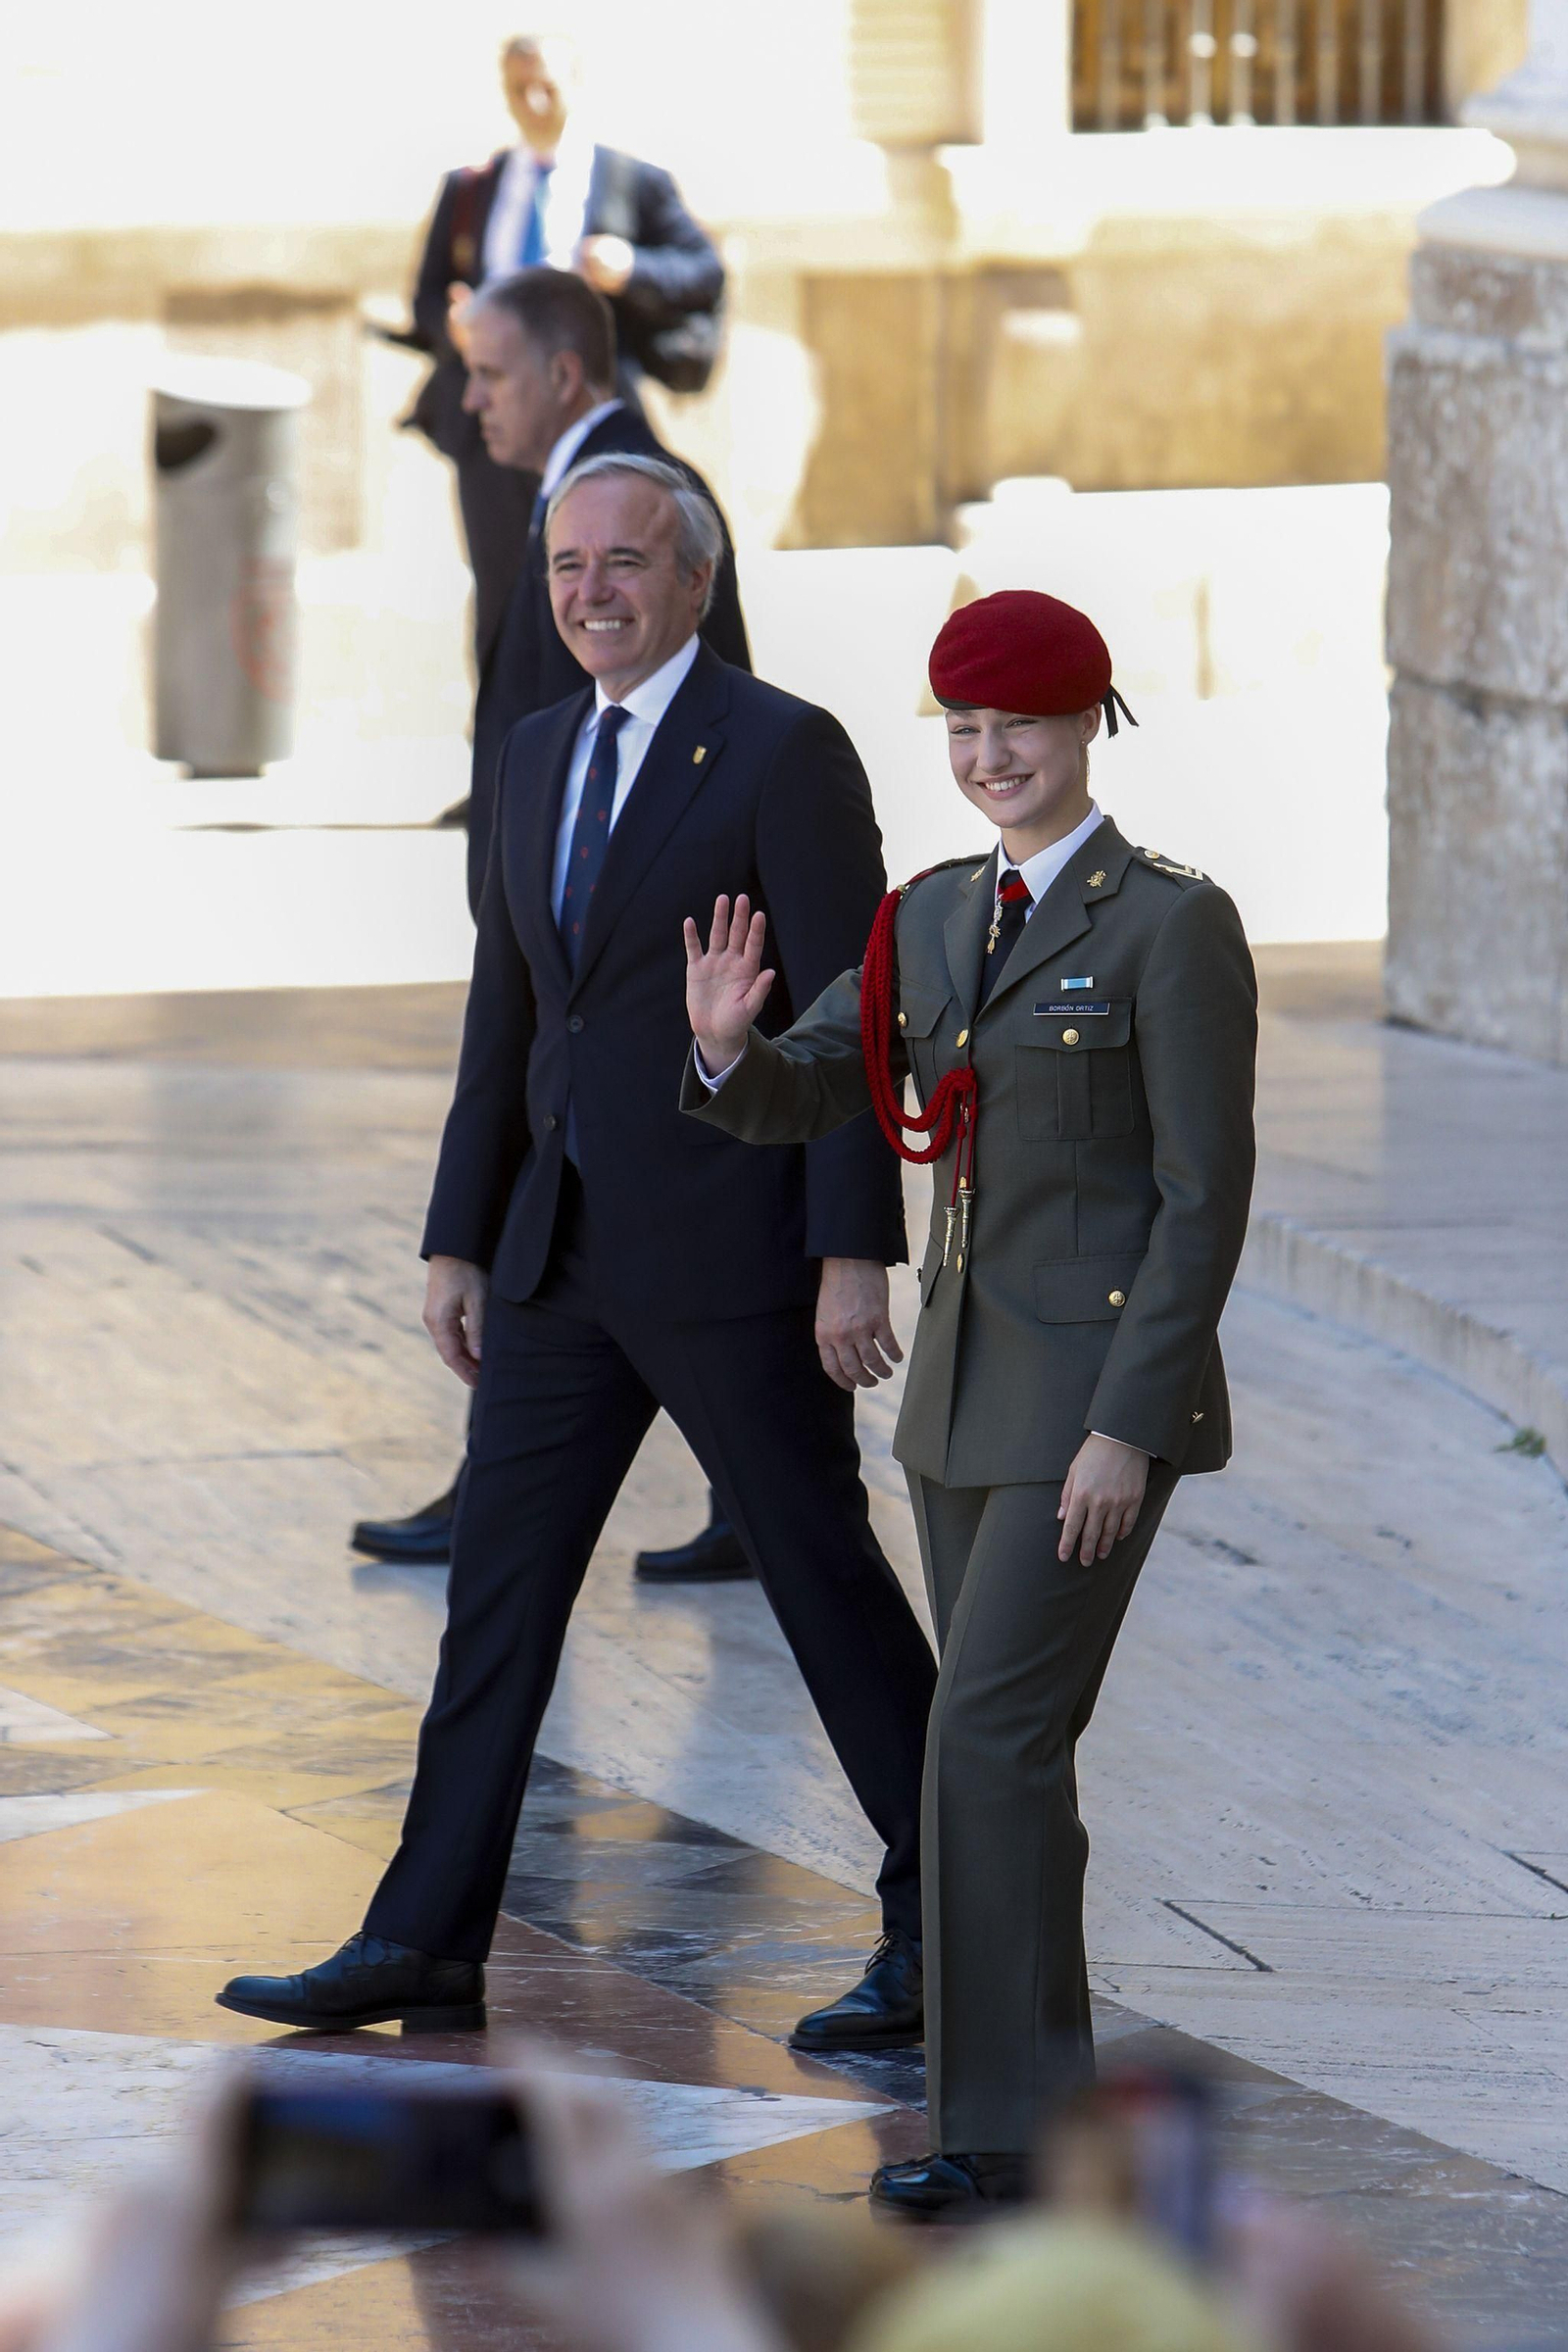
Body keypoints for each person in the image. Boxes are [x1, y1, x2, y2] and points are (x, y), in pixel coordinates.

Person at [219, 454, 938, 2036]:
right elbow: (512, 1015)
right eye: (566, 567)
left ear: (695, 580)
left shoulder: (781, 750)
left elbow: (846, 1018)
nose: (592, 591)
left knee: (822, 1584)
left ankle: (956, 1922)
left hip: (738, 1260)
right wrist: (458, 1235)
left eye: (627, 563)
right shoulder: (540, 750)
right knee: (497, 1600)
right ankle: (424, 1937)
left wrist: (850, 1252)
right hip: (558, 1259)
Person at [681, 589, 1258, 2216]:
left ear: (1091, 727)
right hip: (958, 1402)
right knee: (1013, 1757)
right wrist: (730, 1052)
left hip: (1093, 1406)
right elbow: (831, 1076)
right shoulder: (932, 915)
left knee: (985, 1737)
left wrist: (1129, 1424)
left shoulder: (1168, 927)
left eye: (1021, 725)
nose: (990, 755)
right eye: (964, 728)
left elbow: (1200, 1197)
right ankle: (1049, 2115)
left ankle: (999, 2136)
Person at [350, 268, 752, 1583]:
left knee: (625, 1212)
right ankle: (712, 1489)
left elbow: (711, 724)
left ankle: (568, 1488)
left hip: (621, 949)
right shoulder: (581, 492)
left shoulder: (635, 494)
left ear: (567, 374)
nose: (469, 404)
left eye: (492, 375)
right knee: (573, 1211)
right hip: (573, 930)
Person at [401, 32, 726, 667]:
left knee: (603, 581)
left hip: (590, 416)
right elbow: (424, 301)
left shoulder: (632, 182)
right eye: (519, 88)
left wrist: (628, 268)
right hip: (494, 427)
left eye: (548, 84)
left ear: (576, 84)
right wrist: (457, 325)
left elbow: (703, 272)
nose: (535, 100)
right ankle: (508, 751)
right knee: (504, 587)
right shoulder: (472, 190)